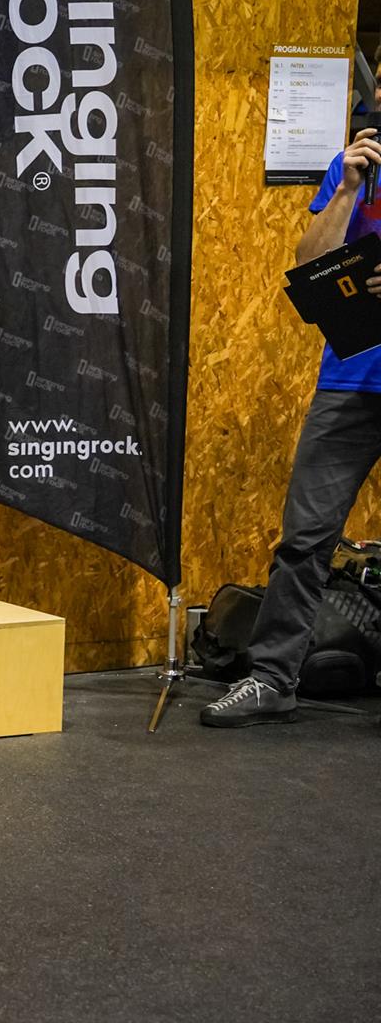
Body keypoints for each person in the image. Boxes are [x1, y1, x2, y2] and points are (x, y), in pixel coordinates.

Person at [202, 123, 381, 727]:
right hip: (351, 380)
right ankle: (272, 680)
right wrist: (347, 189)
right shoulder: (352, 168)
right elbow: (310, 264)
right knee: (305, 538)